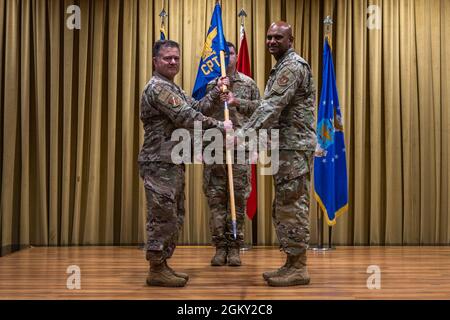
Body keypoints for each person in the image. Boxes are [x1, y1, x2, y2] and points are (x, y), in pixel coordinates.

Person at [227, 21, 317, 286]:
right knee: (284, 206)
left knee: (292, 206)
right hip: (285, 146)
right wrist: (238, 102)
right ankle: (291, 262)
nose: (272, 41)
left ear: (291, 40)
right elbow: (268, 104)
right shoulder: (281, 67)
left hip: (293, 147)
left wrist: (242, 136)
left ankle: (299, 267)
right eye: (268, 37)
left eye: (278, 37)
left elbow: (270, 108)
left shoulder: (291, 66)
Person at [138, 40, 232, 287]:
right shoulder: (158, 88)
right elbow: (187, 117)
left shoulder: (172, 87)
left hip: (172, 161)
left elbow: (197, 106)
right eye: (167, 58)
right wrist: (220, 126)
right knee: (161, 216)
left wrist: (215, 90)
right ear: (155, 61)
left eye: (176, 58)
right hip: (159, 161)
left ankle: (164, 264)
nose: (172, 62)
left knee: (174, 215)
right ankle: (156, 269)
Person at [199, 42, 261, 267]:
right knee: (216, 199)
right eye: (221, 54)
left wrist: (237, 101)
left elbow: (260, 111)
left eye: (230, 53)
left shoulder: (248, 84)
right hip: (214, 150)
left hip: (240, 150)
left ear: (235, 56)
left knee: (238, 200)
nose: (227, 57)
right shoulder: (209, 86)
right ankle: (219, 247)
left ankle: (234, 247)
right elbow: (198, 114)